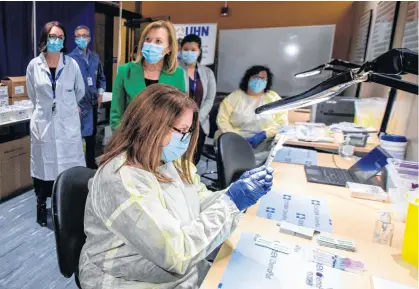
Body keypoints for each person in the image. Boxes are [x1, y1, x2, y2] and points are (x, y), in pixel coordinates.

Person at [79, 84, 273, 288]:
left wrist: (236, 195)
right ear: (150, 128)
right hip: (126, 282)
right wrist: (230, 203)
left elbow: (199, 203)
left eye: (189, 130)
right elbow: (175, 254)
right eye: (181, 130)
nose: (186, 138)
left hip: (177, 275)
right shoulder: (122, 181)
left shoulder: (169, 163)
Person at [26, 21, 85, 227]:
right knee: (43, 168)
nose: (56, 40)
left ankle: (66, 206)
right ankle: (41, 206)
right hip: (44, 125)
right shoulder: (34, 65)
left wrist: (64, 107)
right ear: (45, 38)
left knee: (68, 169)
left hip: (67, 125)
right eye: (52, 36)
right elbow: (32, 94)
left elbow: (80, 91)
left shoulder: (71, 65)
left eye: (60, 37)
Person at [110, 20, 186, 131]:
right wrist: (121, 140)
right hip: (130, 140)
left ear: (169, 48)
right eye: (148, 40)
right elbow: (116, 113)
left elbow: (180, 112)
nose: (151, 45)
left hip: (162, 141)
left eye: (158, 41)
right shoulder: (125, 71)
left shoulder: (177, 75)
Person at [215, 65, 288, 165]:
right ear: (248, 79)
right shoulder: (234, 97)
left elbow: (282, 122)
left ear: (267, 81)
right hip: (234, 141)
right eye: (255, 77)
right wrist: (234, 138)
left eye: (262, 78)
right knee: (233, 169)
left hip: (263, 141)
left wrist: (264, 134)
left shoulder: (273, 98)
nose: (258, 81)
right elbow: (222, 120)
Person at [68, 25, 106, 169]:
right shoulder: (70, 59)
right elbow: (67, 84)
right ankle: (77, 166)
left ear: (89, 38)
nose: (82, 38)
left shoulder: (95, 58)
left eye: (85, 35)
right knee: (77, 138)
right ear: (75, 39)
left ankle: (90, 164)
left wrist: (101, 93)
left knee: (91, 137)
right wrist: (73, 103)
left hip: (92, 104)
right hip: (78, 105)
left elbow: (101, 78)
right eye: (78, 36)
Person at [179, 34, 216, 164]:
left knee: (193, 160)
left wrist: (198, 118)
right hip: (177, 122)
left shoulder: (207, 72)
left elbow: (210, 98)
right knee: (176, 158)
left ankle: (190, 182)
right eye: (186, 49)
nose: (189, 52)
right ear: (181, 50)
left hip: (200, 123)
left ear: (199, 51)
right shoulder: (174, 70)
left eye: (193, 50)